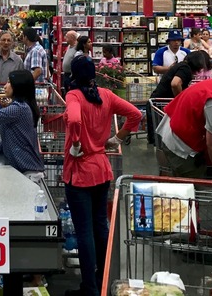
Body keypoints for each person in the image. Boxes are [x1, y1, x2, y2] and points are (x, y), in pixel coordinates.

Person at [63, 56, 142, 296]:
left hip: (80, 172)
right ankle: (102, 279)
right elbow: (136, 114)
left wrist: (76, 143)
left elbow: (75, 118)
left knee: (84, 231)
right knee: (101, 226)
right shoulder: (105, 95)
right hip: (102, 168)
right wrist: (117, 138)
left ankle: (89, 288)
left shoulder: (74, 95)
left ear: (74, 76)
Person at [145, 51, 211, 144]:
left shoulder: (182, 66)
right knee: (161, 138)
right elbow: (175, 84)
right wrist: (180, 100)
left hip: (157, 103)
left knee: (158, 137)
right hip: (160, 104)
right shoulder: (185, 68)